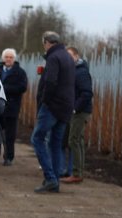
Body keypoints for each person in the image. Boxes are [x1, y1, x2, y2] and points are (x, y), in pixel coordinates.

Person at [31, 31, 75, 193]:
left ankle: (50, 177)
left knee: (37, 139)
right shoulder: (68, 57)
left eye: (44, 43)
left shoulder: (53, 58)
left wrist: (45, 101)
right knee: (55, 143)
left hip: (52, 106)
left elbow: (50, 82)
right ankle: (55, 180)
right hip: (66, 107)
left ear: (47, 42)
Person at [61, 46, 93, 184]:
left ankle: (77, 173)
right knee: (77, 140)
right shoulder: (73, 71)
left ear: (76, 56)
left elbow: (87, 93)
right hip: (76, 110)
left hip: (80, 112)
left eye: (70, 56)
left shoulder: (81, 73)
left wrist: (75, 108)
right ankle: (78, 172)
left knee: (73, 140)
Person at [0, 48, 27, 167]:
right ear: (3, 58)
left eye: (11, 57)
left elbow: (23, 87)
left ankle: (9, 157)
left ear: (14, 59)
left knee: (10, 135)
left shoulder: (20, 72)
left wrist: (5, 88)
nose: (8, 59)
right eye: (6, 57)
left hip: (12, 106)